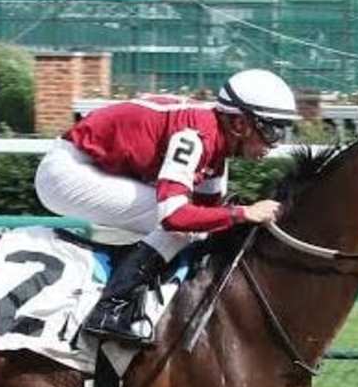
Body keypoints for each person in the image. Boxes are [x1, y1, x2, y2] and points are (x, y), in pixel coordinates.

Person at [33, 68, 300, 346]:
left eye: (282, 131)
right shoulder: (195, 136)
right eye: (271, 130)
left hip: (95, 167)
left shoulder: (216, 144)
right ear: (239, 124)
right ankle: (110, 308)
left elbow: (210, 216)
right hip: (66, 173)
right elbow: (175, 218)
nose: (275, 143)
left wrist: (236, 217)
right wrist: (243, 212)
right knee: (181, 224)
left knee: (200, 226)